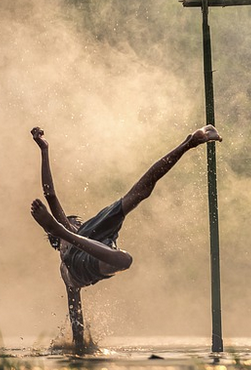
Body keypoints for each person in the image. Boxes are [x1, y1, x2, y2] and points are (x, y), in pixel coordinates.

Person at [29, 125, 221, 353]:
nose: (78, 222)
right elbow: (50, 194)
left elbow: (75, 314)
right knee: (122, 258)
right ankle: (188, 143)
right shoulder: (67, 250)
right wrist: (43, 151)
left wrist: (44, 149)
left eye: (75, 223)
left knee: (137, 196)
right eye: (74, 223)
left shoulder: (90, 231)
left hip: (95, 244)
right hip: (79, 258)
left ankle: (189, 142)